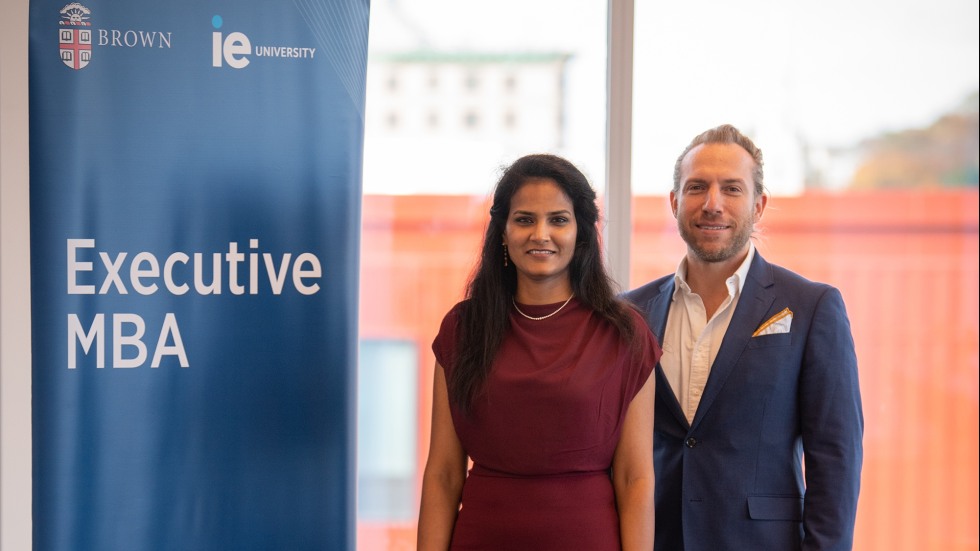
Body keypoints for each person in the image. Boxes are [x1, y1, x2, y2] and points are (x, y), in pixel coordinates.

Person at [625, 124, 864, 551]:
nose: (712, 204)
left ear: (759, 205)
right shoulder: (630, 314)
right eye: (697, 187)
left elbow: (836, 458)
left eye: (732, 189)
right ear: (675, 202)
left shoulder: (812, 307)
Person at [418, 154, 662, 550]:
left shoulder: (624, 332)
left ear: (582, 232)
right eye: (525, 219)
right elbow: (443, 473)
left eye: (558, 220)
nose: (540, 234)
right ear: (502, 231)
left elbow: (635, 478)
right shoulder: (462, 329)